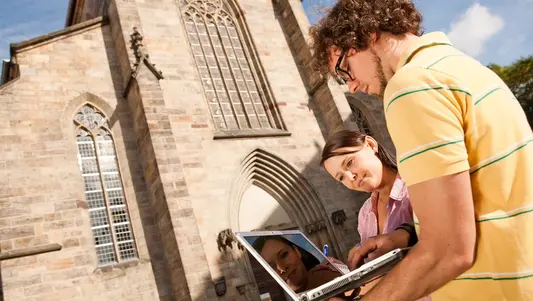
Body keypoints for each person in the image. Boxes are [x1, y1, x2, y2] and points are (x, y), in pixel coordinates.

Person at [309, 0, 533, 300]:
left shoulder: (410, 86)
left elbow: (447, 251)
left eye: (345, 69)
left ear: (367, 33)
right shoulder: (459, 65)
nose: (351, 87)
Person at [321, 130, 430, 301]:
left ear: (371, 145)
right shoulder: (365, 214)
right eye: (341, 177)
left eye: (350, 163)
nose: (350, 177)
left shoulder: (417, 184)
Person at [253, 236, 354, 299]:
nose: (282, 268)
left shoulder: (325, 275)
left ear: (297, 251)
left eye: (284, 255)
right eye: (272, 266)